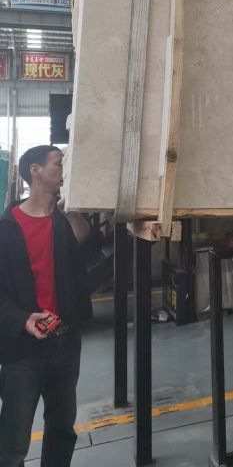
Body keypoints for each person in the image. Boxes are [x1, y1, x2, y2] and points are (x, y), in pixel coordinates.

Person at [0, 145, 92, 467]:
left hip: (63, 341)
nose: (64, 169)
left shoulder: (62, 222)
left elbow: (84, 243)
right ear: (35, 171)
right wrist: (23, 319)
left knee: (62, 429)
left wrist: (73, 210)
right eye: (59, 163)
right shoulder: (6, 228)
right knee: (13, 441)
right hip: (22, 348)